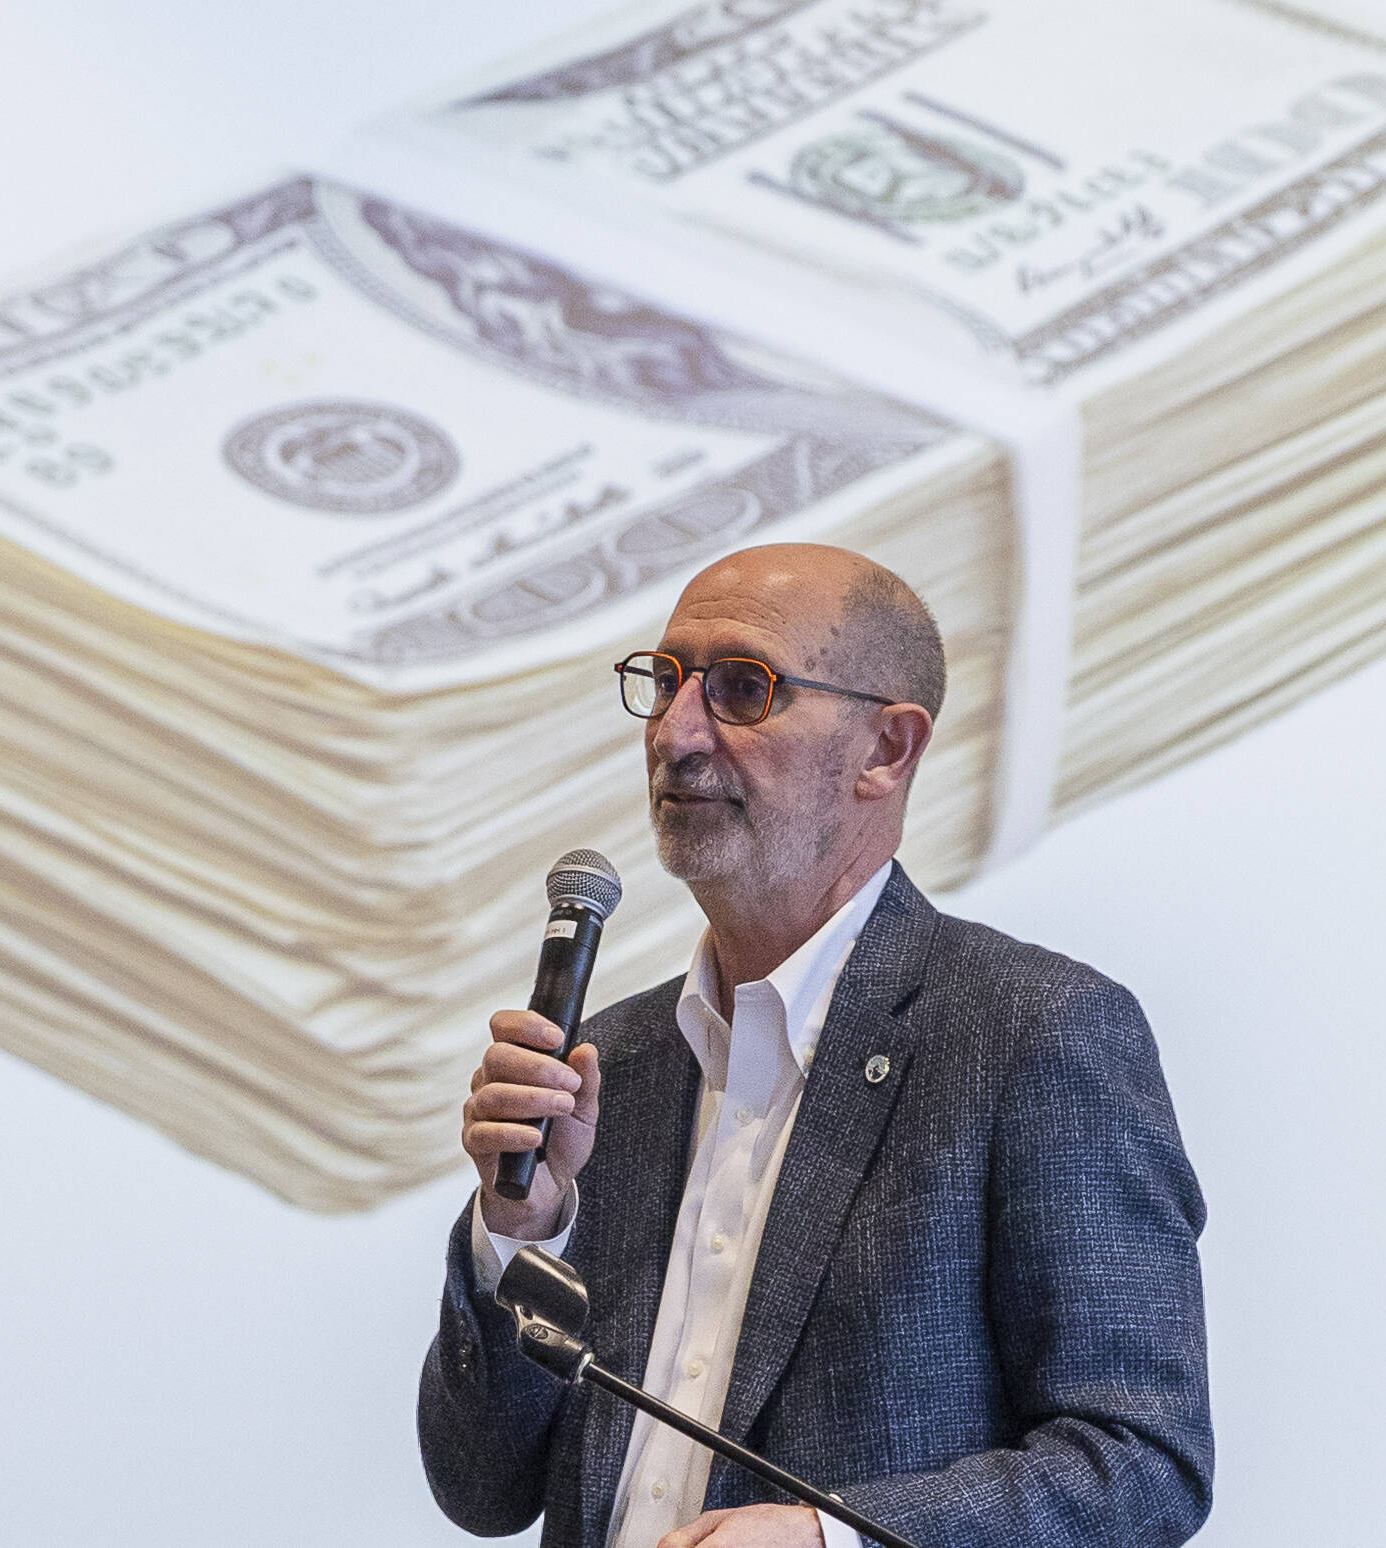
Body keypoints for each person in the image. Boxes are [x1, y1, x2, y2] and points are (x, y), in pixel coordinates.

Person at [418, 543, 1212, 1548]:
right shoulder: (606, 1067)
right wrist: (521, 1226)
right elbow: (480, 1488)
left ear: (885, 749)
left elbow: (1139, 1466)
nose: (676, 732)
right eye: (662, 684)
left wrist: (834, 1539)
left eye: (742, 689)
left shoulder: (1029, 1034)